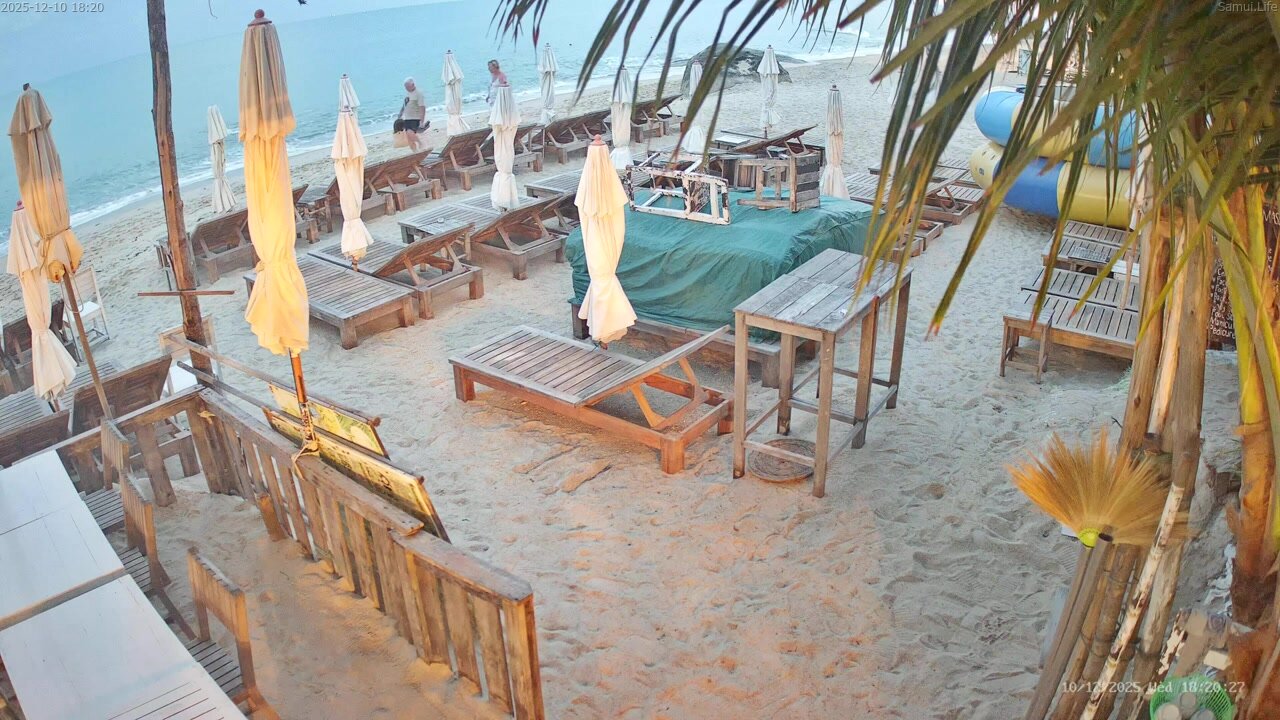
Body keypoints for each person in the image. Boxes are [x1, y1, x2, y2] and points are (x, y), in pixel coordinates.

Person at [398, 76, 427, 151]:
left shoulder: (418, 93)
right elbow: (404, 104)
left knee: (409, 132)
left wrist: (422, 121)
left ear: (413, 85)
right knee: (409, 139)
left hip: (415, 117)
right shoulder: (408, 93)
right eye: (405, 87)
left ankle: (420, 143)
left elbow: (422, 107)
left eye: (407, 87)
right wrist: (400, 113)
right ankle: (415, 152)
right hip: (407, 118)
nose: (406, 88)